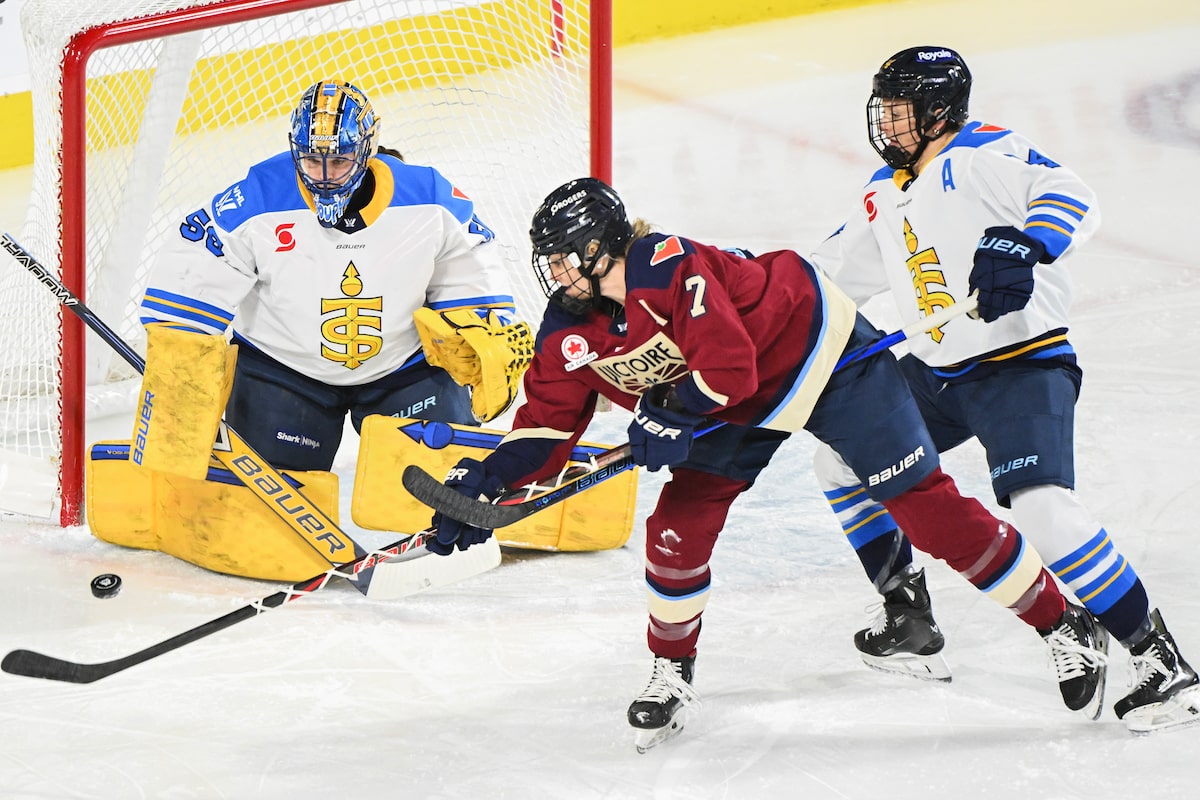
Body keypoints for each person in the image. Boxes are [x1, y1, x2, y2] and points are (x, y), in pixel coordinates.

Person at [422, 176, 1107, 752]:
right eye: (552, 262)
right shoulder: (569, 330)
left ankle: (1062, 623)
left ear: (602, 245)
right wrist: (483, 481)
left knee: (925, 509)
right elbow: (546, 428)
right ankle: (670, 671)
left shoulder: (666, 263)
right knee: (674, 531)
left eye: (568, 257)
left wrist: (669, 415)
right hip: (729, 406)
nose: (559, 273)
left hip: (823, 355)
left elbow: (730, 365)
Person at [807, 45, 1198, 733]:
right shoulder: (884, 189)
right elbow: (829, 278)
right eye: (885, 112)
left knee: (1043, 510)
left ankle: (1159, 659)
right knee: (840, 459)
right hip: (936, 375)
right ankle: (908, 617)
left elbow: (1070, 196)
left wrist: (1026, 245)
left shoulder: (983, 152)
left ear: (937, 111)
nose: (887, 125)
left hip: (1021, 364)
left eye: (900, 113)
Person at [132, 79, 532, 510]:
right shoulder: (260, 196)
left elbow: (471, 261)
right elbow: (196, 261)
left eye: (339, 160)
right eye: (311, 160)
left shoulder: (429, 197)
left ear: (367, 150)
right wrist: (182, 355)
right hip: (282, 373)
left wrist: (481, 322)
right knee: (262, 510)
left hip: (404, 369)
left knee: (434, 496)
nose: (323, 176)